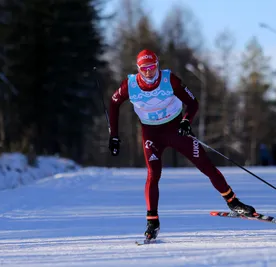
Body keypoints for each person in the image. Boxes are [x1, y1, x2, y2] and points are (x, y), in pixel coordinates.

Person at [108, 49, 256, 241]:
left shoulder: (170, 80)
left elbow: (193, 103)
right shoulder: (130, 85)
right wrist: (114, 136)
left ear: (158, 65)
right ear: (138, 69)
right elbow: (113, 103)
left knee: (206, 166)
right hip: (151, 133)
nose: (148, 72)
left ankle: (233, 202)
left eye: (152, 67)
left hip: (176, 128)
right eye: (144, 69)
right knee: (153, 174)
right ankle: (152, 221)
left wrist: (186, 120)